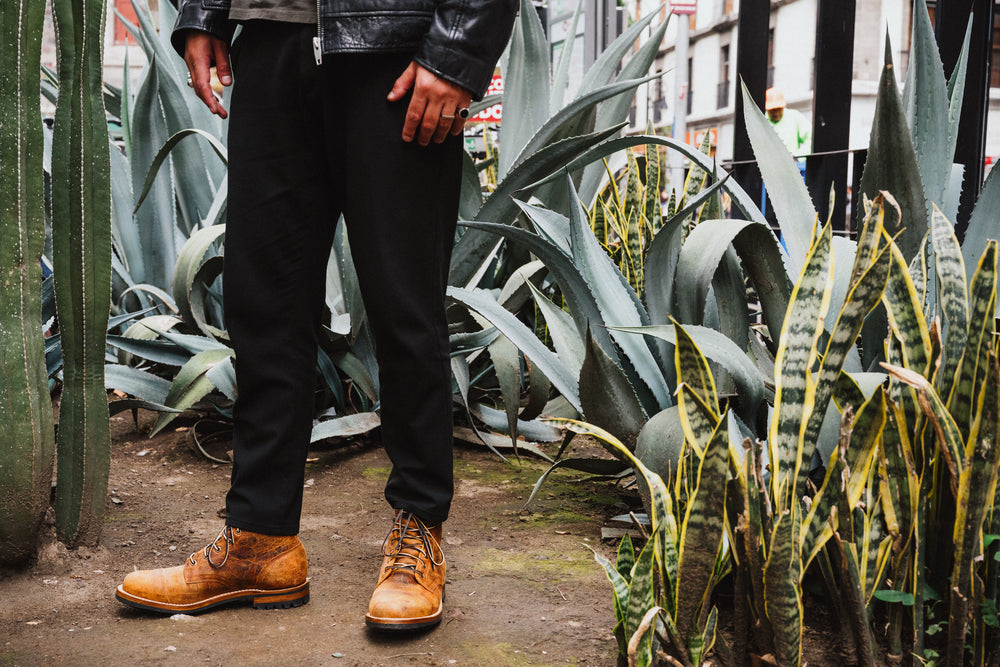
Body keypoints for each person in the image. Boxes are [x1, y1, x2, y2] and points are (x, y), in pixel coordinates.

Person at [114, 0, 518, 632]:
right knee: (263, 304)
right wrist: (204, 12)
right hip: (271, 40)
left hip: (398, 52)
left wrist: (458, 50)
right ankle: (260, 539)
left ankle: (419, 532)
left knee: (402, 307)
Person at [765, 87, 811, 156]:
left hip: (794, 163)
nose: (776, 113)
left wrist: (798, 155)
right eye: (773, 110)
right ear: (767, 109)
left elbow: (810, 139)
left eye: (779, 109)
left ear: (784, 106)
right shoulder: (761, 120)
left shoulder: (794, 116)